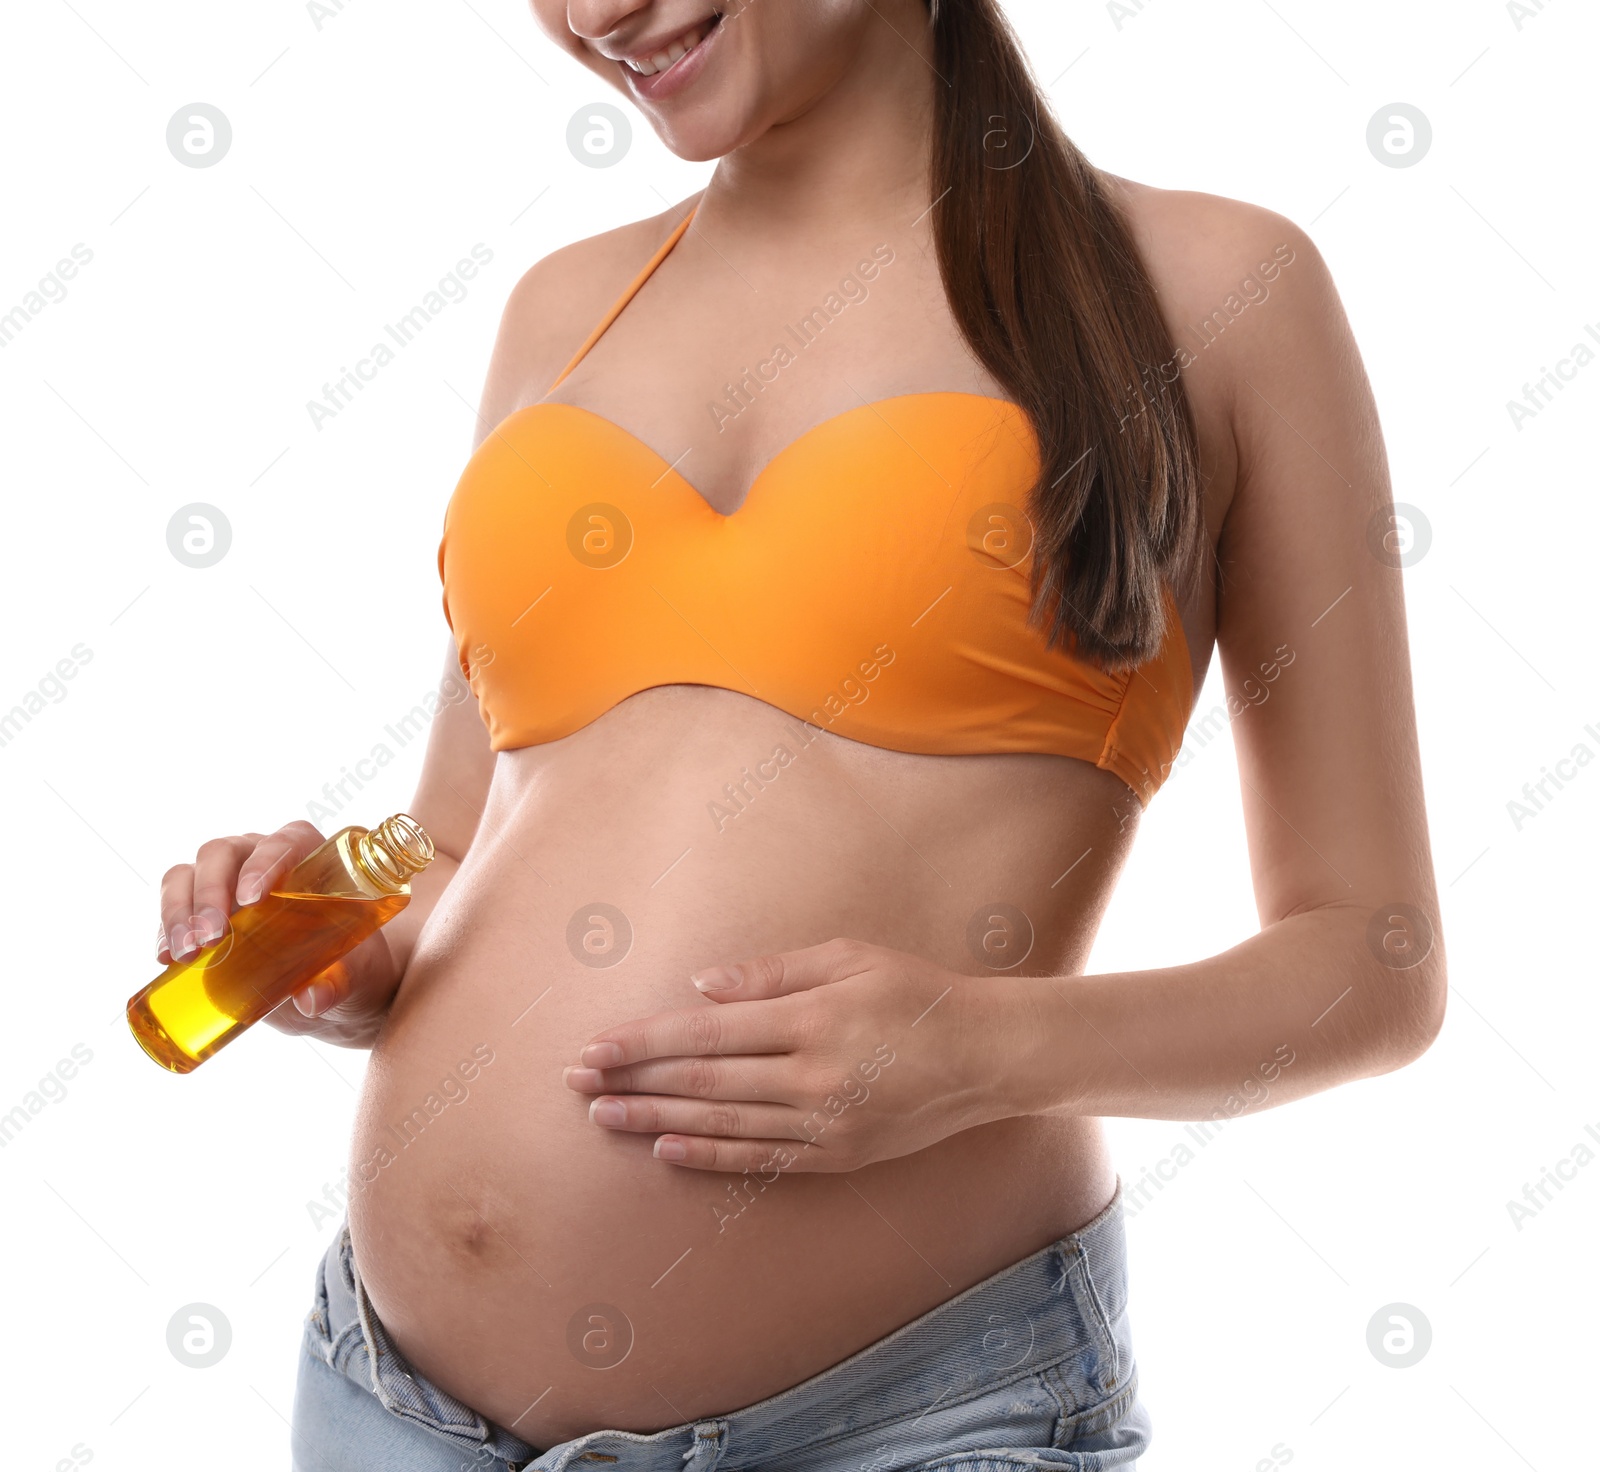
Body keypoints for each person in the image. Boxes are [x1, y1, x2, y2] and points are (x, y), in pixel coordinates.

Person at [155, 2, 1445, 1467]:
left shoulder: (1213, 290)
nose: (593, 17)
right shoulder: (566, 306)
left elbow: (1372, 969)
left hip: (910, 1422)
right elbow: (456, 847)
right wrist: (352, 953)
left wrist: (979, 1048)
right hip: (393, 1407)